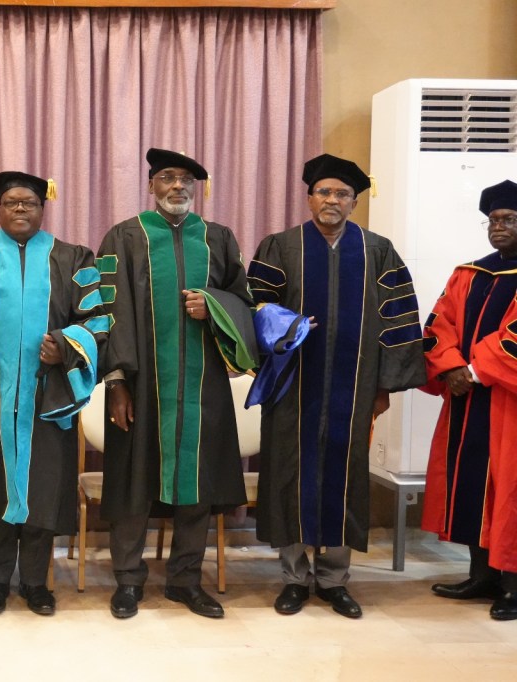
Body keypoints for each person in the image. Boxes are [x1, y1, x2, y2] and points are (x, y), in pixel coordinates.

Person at [246, 153, 425, 619]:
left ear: (354, 202)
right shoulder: (279, 247)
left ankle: (333, 580)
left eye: (342, 194)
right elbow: (255, 307)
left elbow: (399, 319)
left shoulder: (378, 251)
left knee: (346, 476)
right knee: (289, 473)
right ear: (309, 198)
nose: (332, 200)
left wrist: (384, 386)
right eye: (324, 191)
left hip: (355, 387)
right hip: (291, 383)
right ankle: (293, 578)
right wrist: (284, 331)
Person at [97, 148, 257, 620]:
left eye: (187, 179)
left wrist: (215, 307)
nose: (177, 186)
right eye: (167, 177)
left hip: (202, 386)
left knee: (197, 484)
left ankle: (185, 580)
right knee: (133, 484)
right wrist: (116, 382)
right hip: (141, 384)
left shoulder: (217, 238)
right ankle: (128, 580)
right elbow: (106, 310)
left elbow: (244, 302)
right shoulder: (124, 236)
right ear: (151, 185)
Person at [0, 172, 108, 616]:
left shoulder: (72, 257)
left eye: (29, 202)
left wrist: (64, 347)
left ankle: (36, 581)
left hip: (47, 394)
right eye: (12, 202)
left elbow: (96, 322)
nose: (20, 209)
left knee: (42, 484)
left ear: (42, 208)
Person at [421, 179, 517, 621]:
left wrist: (475, 370)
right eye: (493, 220)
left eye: (508, 219)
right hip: (467, 400)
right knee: (473, 485)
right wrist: (450, 367)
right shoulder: (469, 273)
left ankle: (513, 586)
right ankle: (482, 575)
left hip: (508, 403)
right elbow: (439, 325)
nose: (498, 227)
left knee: (510, 490)